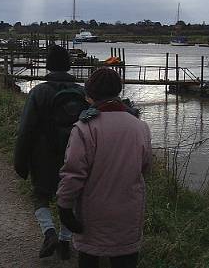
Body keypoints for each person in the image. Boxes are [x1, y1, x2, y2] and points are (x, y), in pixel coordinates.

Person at [56, 67, 152, 268]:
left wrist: (64, 207)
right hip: (129, 213)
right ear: (118, 91)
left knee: (90, 258)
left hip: (93, 214)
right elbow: (145, 168)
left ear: (89, 95)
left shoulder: (85, 128)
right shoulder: (140, 127)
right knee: (126, 260)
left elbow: (73, 173)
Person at [14, 44, 88, 260]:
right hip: (75, 155)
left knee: (40, 196)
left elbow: (26, 129)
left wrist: (20, 162)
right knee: (71, 198)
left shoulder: (39, 92)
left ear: (48, 67)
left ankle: (49, 233)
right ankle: (66, 242)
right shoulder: (81, 92)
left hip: (43, 156)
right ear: (69, 65)